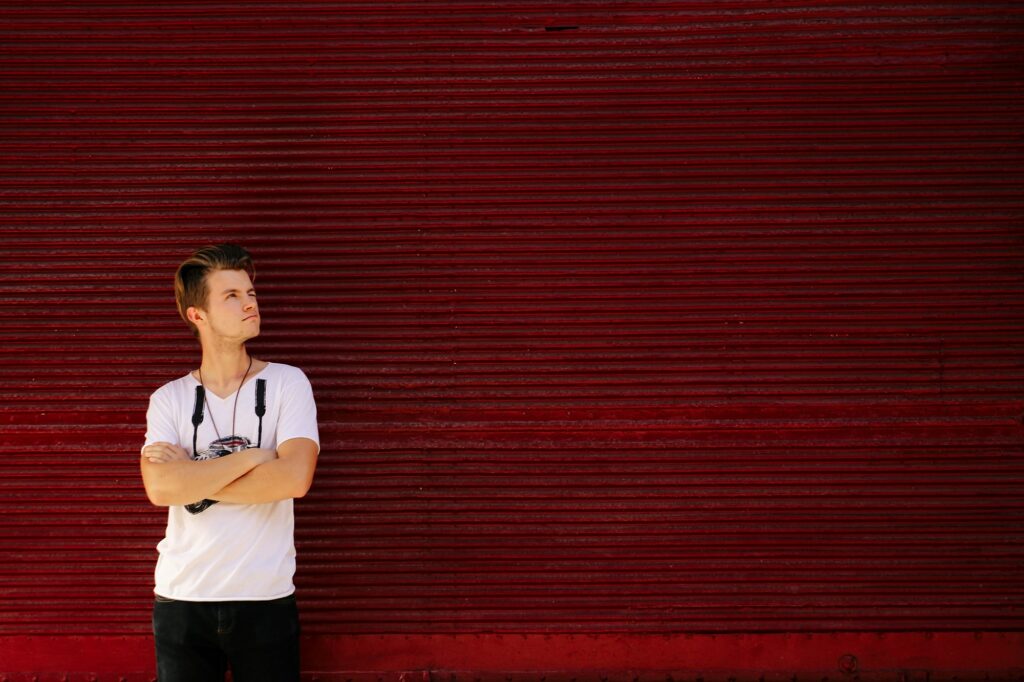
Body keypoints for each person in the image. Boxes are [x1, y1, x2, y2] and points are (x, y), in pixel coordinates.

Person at [139, 243, 320, 681]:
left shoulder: (286, 383)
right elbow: (161, 490)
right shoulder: (170, 399)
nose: (250, 302)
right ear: (197, 315)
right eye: (232, 295)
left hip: (265, 598)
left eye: (251, 292)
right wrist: (257, 457)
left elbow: (295, 477)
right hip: (182, 599)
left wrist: (193, 476)